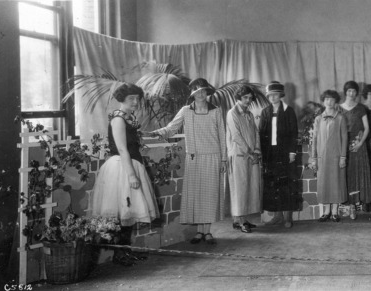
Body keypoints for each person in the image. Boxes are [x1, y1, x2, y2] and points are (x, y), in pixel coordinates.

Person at [149, 78, 226, 244]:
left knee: (209, 196)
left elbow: (222, 136)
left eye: (203, 91)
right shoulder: (186, 111)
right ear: (192, 94)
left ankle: (207, 232)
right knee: (197, 197)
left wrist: (224, 159)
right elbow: (171, 128)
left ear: (207, 93)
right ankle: (199, 232)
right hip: (194, 158)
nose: (200, 94)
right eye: (197, 91)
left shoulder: (216, 111)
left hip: (213, 157)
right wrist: (153, 134)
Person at [91, 83, 159, 265]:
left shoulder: (129, 118)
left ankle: (125, 251)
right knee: (121, 212)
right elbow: (121, 148)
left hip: (132, 164)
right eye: (131, 99)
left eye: (137, 98)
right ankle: (118, 254)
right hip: (121, 168)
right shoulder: (118, 119)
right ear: (122, 99)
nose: (136, 102)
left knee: (128, 211)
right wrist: (131, 175)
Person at [259, 81, 300, 228]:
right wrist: (262, 154)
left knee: (286, 184)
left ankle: (288, 217)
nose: (273, 97)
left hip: (285, 153)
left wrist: (292, 152)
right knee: (273, 184)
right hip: (270, 154)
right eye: (270, 95)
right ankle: (277, 216)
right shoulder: (265, 112)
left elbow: (293, 133)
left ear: (280, 95)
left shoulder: (289, 111)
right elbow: (261, 134)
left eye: (275, 95)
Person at [225, 85, 263, 233]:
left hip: (251, 155)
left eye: (250, 98)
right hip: (239, 155)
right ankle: (241, 222)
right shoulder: (232, 113)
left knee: (248, 188)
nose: (248, 100)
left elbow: (256, 133)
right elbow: (236, 136)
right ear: (239, 97)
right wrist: (249, 152)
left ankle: (240, 219)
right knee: (239, 189)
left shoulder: (249, 114)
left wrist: (257, 150)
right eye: (245, 97)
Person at [309, 90, 348, 222]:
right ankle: (326, 211)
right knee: (324, 183)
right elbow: (314, 139)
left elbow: (344, 138)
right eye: (326, 99)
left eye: (331, 99)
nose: (329, 102)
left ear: (335, 101)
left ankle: (335, 212)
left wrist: (343, 157)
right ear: (323, 101)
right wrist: (314, 158)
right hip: (322, 158)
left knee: (336, 182)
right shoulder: (318, 119)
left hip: (336, 157)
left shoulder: (341, 118)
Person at [339, 81, 371, 220]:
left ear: (356, 93)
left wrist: (360, 144)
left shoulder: (361, 108)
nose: (351, 93)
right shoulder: (338, 108)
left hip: (358, 145)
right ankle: (349, 206)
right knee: (346, 174)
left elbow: (367, 128)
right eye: (349, 91)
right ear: (345, 92)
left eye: (353, 91)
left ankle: (357, 205)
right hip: (343, 146)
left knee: (357, 175)